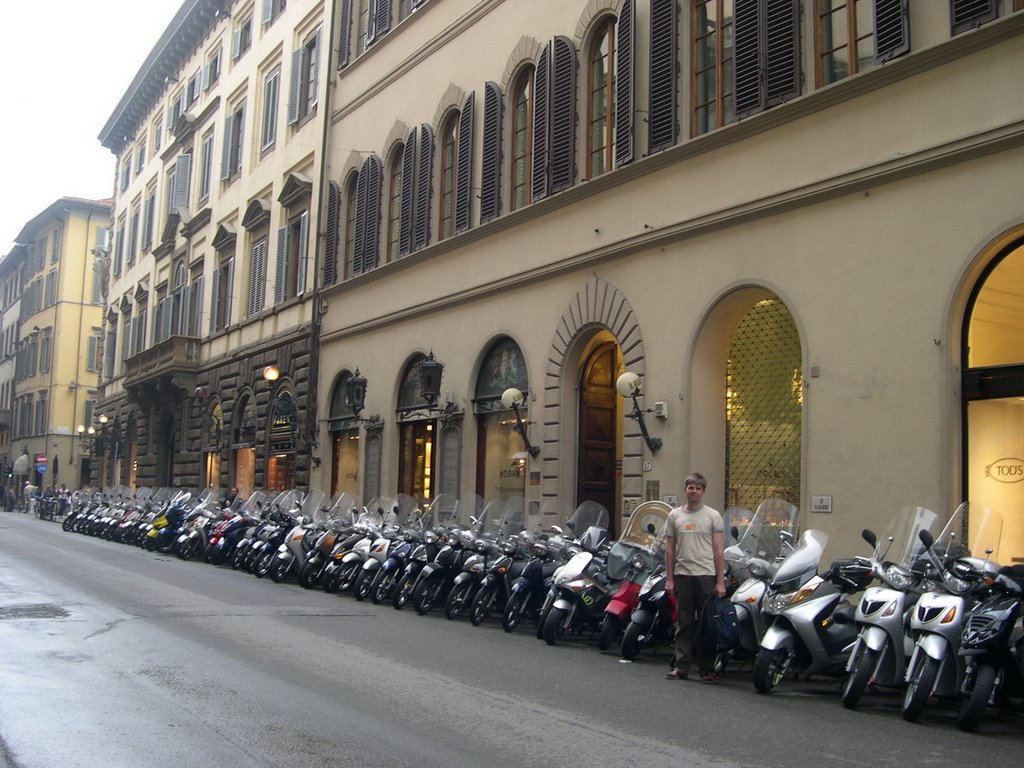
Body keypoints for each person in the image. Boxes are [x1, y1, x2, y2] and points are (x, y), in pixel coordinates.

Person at [664, 472, 726, 684]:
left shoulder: (712, 516)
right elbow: (669, 550)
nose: (693, 491)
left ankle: (707, 669)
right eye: (690, 487)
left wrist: (720, 581)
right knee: (684, 624)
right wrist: (669, 579)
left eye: (698, 488)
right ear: (685, 489)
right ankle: (681, 668)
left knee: (706, 626)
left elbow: (718, 549)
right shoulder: (674, 516)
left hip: (706, 576)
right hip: (683, 576)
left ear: (703, 491)